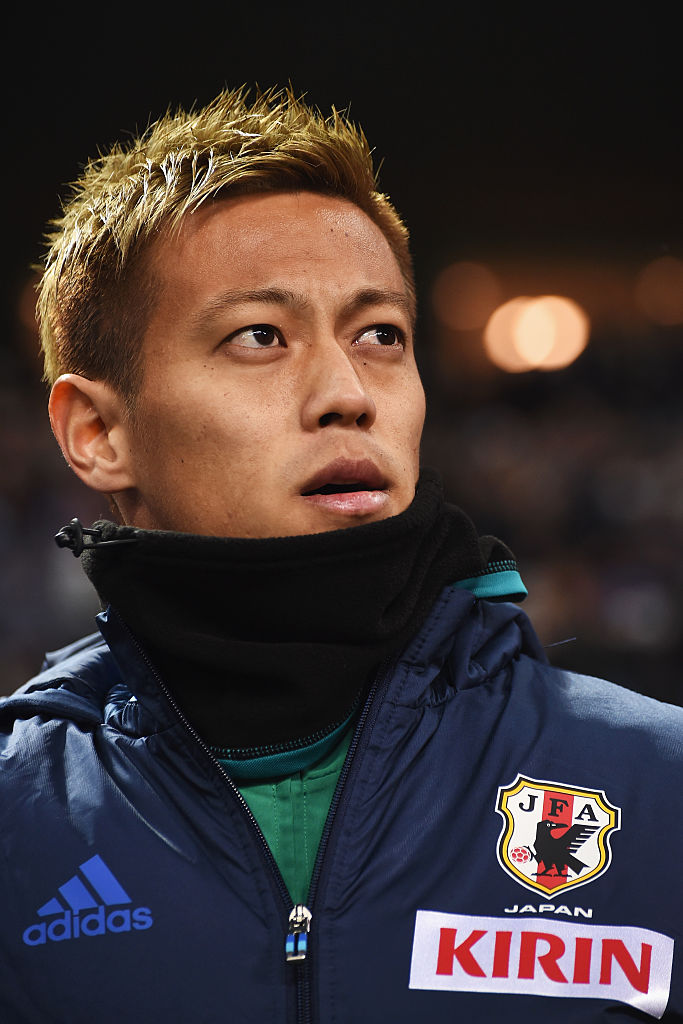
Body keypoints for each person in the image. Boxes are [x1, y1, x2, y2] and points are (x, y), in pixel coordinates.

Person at [0, 87, 680, 1023]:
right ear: (97, 432)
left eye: (379, 335)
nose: (347, 391)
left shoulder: (659, 785)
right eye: (259, 336)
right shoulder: (15, 819)